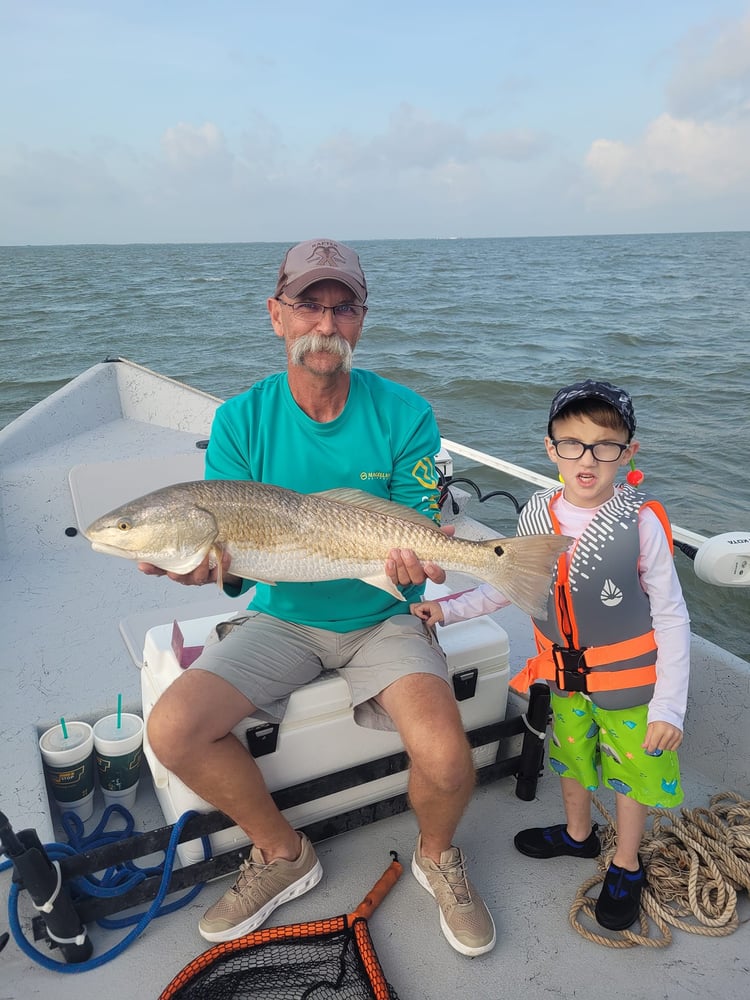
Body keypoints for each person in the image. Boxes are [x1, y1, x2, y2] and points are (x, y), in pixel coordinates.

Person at [140, 238, 496, 956]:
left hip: (380, 617)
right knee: (173, 729)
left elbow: (419, 540)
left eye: (343, 307)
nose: (325, 324)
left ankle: (436, 855)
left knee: (450, 758)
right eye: (309, 305)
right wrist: (205, 570)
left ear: (361, 320)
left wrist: (411, 568)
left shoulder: (406, 414)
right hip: (285, 615)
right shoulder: (243, 420)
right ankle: (283, 854)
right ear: (277, 316)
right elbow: (233, 556)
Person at [411, 379, 690, 931]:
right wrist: (450, 610)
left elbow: (673, 615)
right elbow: (510, 585)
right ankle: (578, 835)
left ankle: (627, 863)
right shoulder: (537, 513)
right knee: (572, 759)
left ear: (627, 453)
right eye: (572, 443)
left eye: (604, 445)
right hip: (564, 679)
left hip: (631, 684)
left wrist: (670, 707)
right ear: (550, 447)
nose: (587, 459)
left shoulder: (643, 522)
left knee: (631, 777)